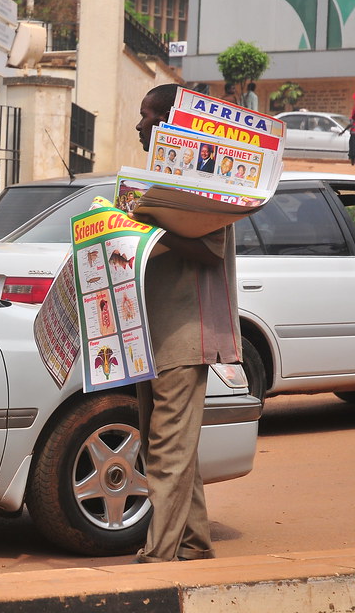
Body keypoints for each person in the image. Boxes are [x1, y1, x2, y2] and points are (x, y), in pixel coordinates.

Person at [133, 83, 242, 563]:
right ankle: (194, 542)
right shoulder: (160, 181)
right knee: (169, 447)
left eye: (146, 117)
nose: (138, 126)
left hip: (185, 332)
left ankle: (158, 554)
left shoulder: (203, 183)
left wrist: (145, 227)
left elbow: (209, 250)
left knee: (167, 449)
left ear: (168, 125)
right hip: (151, 333)